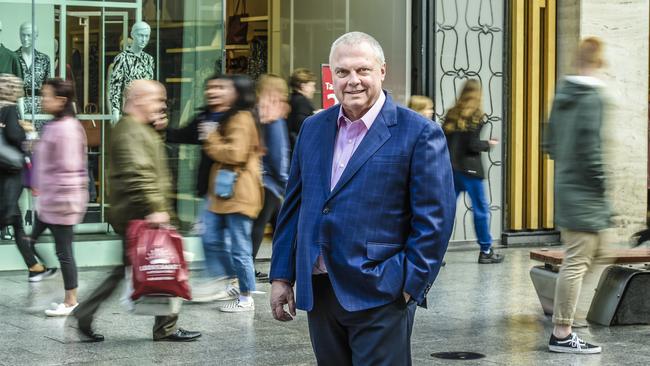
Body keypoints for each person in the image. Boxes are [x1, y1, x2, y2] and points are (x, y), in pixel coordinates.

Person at [269, 32, 456, 365]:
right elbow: (294, 207)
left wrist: (408, 285)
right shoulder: (313, 128)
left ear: (381, 72)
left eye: (362, 70)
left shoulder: (420, 133)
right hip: (320, 290)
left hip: (381, 291)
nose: (352, 80)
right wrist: (283, 276)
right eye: (342, 72)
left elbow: (435, 220)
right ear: (332, 78)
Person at [72, 80, 201, 342]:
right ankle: (165, 328)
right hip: (142, 214)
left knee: (141, 268)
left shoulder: (139, 128)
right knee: (166, 264)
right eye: (158, 100)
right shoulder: (130, 130)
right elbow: (137, 173)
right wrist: (155, 208)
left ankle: (86, 313)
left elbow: (149, 161)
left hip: (140, 212)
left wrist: (158, 131)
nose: (163, 105)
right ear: (139, 99)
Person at [543, 37, 609, 354]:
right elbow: (592, 148)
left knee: (595, 254)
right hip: (585, 192)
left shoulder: (563, 93)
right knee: (577, 262)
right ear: (598, 62)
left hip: (568, 185)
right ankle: (562, 331)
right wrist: (600, 184)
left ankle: (568, 317)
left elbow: (549, 143)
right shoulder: (591, 96)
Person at [201, 74, 264, 313]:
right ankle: (234, 282)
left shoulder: (241, 118)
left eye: (225, 88)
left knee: (239, 247)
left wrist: (211, 138)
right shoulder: (238, 116)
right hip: (229, 193)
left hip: (239, 192)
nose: (219, 92)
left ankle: (246, 297)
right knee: (214, 238)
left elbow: (235, 154)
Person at [30, 78, 88, 316]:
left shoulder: (67, 128)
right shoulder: (56, 125)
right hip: (50, 200)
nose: (43, 99)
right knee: (31, 240)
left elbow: (68, 168)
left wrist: (53, 195)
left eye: (47, 95)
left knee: (64, 252)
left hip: (62, 202)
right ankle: (39, 270)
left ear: (61, 100)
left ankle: (71, 300)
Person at [0, 74, 56, 282]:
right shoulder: (9, 109)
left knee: (15, 222)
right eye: (16, 87)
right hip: (9, 175)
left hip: (4, 175)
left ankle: (35, 267)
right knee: (9, 217)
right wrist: (29, 133)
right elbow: (15, 136)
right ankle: (35, 266)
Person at [443, 79, 504, 264]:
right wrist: (489, 144)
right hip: (471, 171)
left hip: (452, 170)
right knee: (480, 210)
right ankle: (486, 250)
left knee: (445, 212)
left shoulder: (451, 114)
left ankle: (436, 251)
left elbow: (444, 141)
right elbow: (472, 144)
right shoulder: (477, 116)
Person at [251, 74, 290, 281]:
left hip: (264, 180)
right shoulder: (272, 116)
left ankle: (282, 267)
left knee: (277, 225)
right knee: (265, 227)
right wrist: (286, 182)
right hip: (269, 182)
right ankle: (247, 270)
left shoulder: (257, 112)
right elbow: (278, 153)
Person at [287, 68, 316, 148]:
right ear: (303, 86)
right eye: (312, 86)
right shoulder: (302, 102)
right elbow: (304, 127)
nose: (314, 90)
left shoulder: (292, 100)